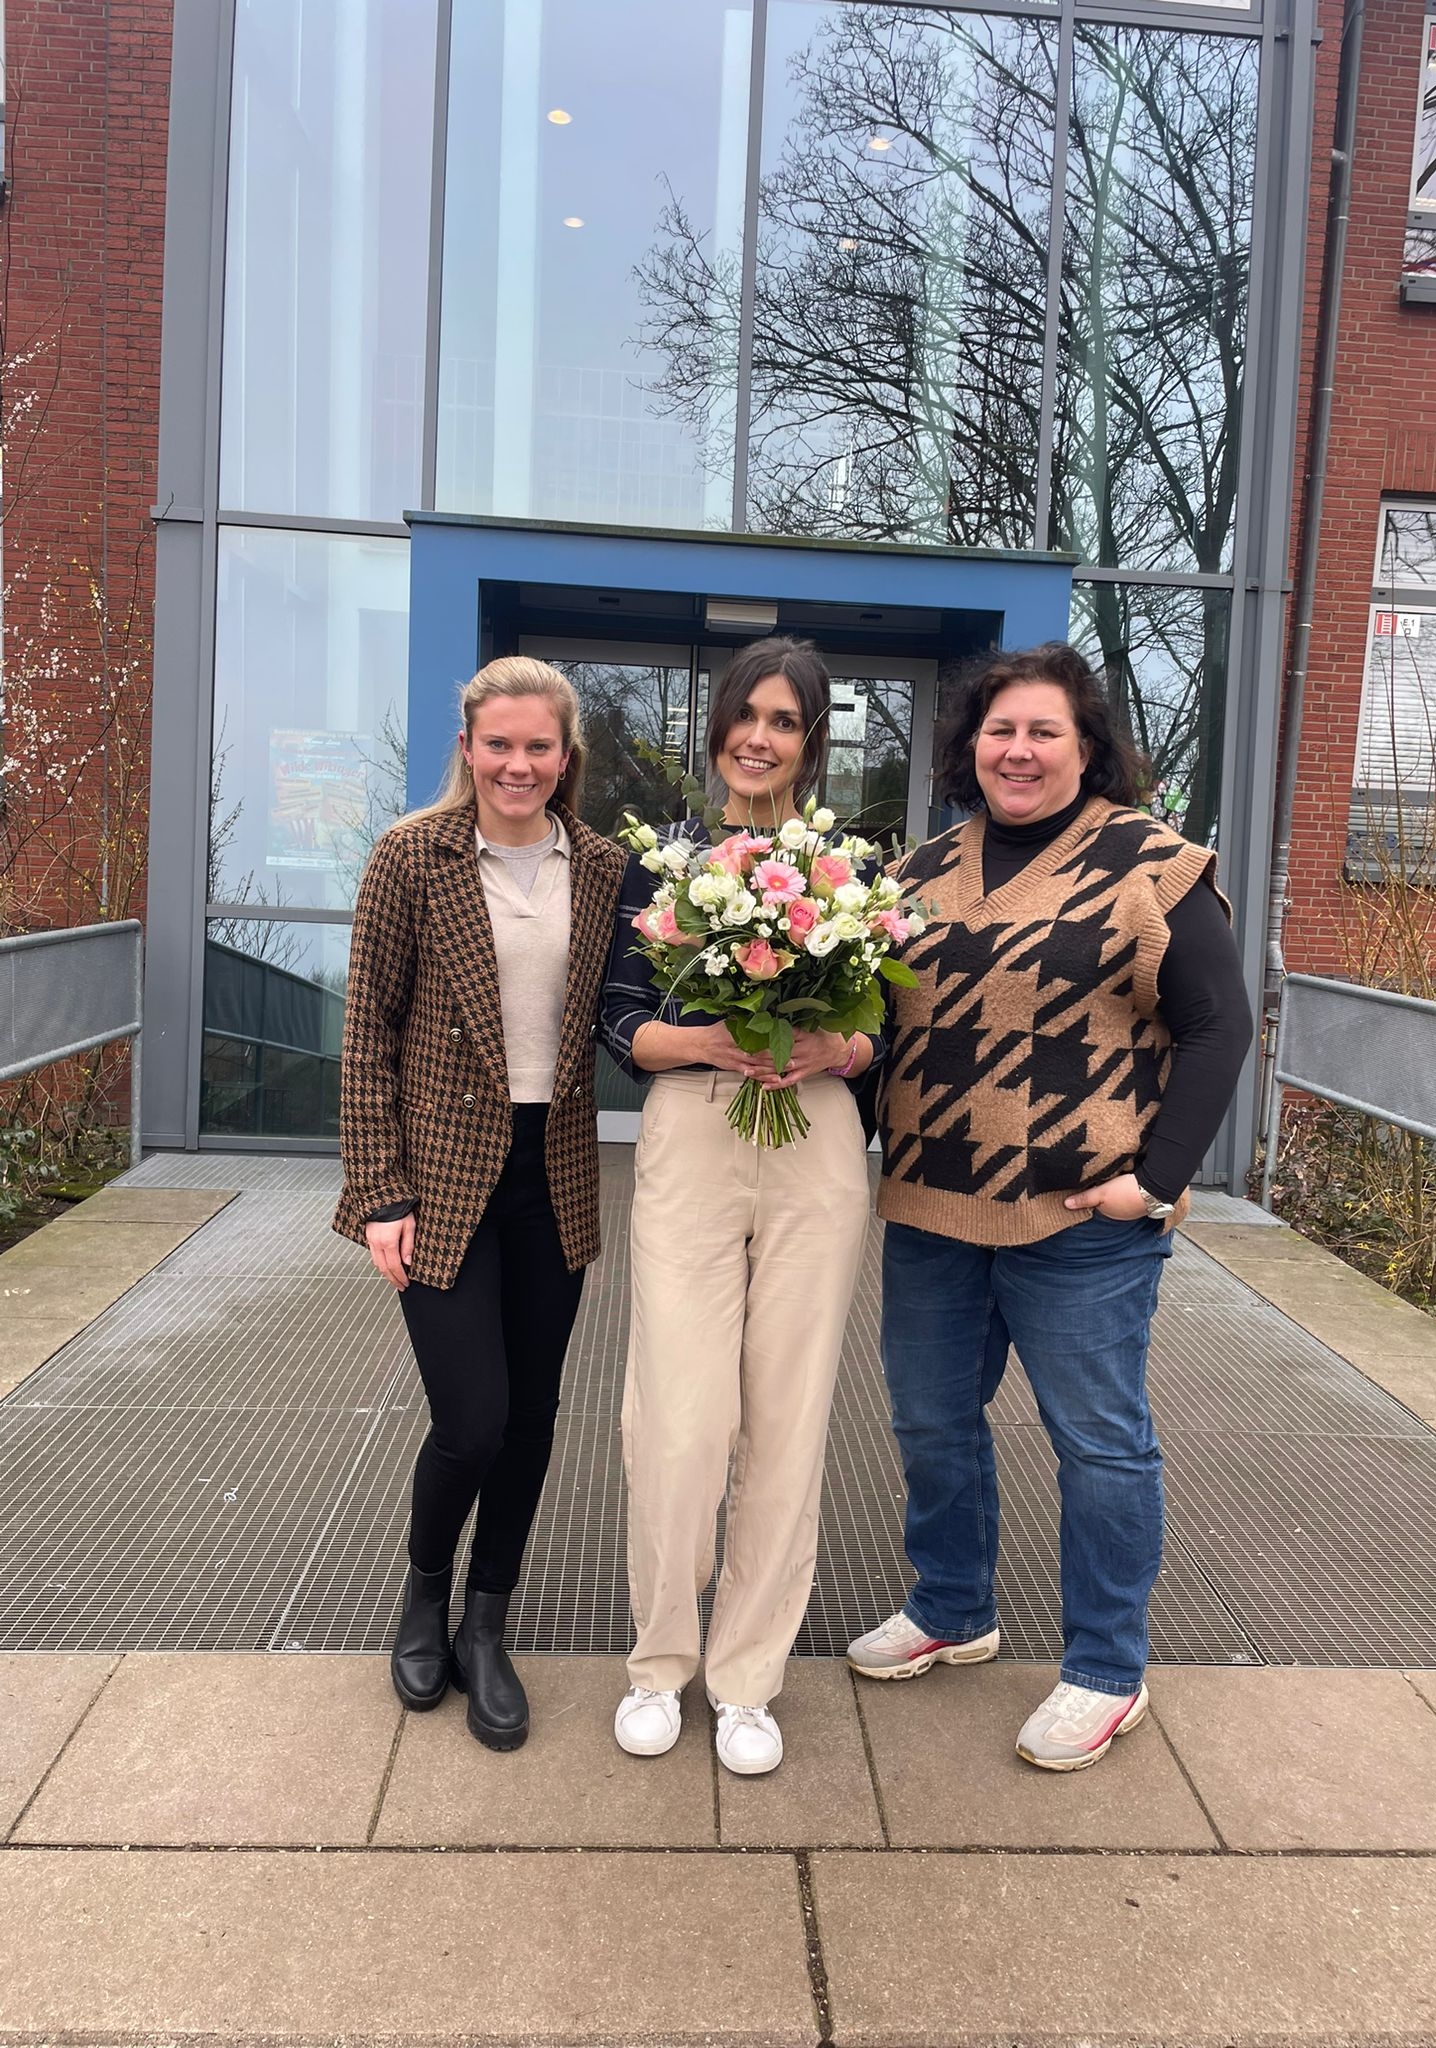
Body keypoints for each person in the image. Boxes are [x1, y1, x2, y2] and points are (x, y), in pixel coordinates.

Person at [846, 642, 1252, 1770]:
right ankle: (953, 1604)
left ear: (1087, 748)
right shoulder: (919, 869)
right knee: (930, 1420)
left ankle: (1108, 1666)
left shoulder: (1150, 863)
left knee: (1099, 1443)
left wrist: (1158, 1178)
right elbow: (886, 1027)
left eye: (1044, 732)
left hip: (1081, 1221)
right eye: (999, 730)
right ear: (969, 742)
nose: (1018, 751)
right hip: (931, 1206)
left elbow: (1222, 1026)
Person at [334, 656, 625, 1751]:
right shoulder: (411, 856)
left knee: (537, 1414)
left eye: (538, 746)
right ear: (469, 748)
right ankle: (423, 1592)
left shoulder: (601, 867)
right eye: (498, 744)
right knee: (474, 1417)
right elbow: (367, 1030)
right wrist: (378, 1191)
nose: (518, 763)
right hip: (443, 1171)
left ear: (565, 755)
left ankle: (488, 1617)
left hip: (552, 1168)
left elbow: (629, 1006)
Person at [602, 636, 879, 1776]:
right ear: (716, 726)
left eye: (786, 720)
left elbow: (879, 1034)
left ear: (811, 742)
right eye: (746, 715)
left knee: (789, 1411)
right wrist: (713, 1034)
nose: (761, 737)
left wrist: (831, 1040)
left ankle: (749, 1677)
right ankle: (659, 1661)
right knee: (681, 1415)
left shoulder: (850, 870)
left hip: (812, 1134)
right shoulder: (662, 864)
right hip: (695, 1123)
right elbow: (620, 1026)